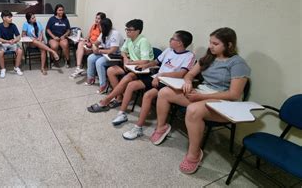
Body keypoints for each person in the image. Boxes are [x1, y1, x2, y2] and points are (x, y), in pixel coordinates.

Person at [150, 27, 250, 174]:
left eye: (215, 44)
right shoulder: (208, 58)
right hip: (201, 94)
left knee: (193, 110)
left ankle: (194, 154)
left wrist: (201, 97)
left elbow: (234, 94)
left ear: (229, 45)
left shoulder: (237, 63)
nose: (211, 46)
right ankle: (162, 127)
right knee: (164, 92)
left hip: (223, 101)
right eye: (210, 42)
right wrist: (188, 82)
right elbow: (190, 74)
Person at [118, 31, 195, 134]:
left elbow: (181, 74)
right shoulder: (168, 50)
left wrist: (160, 76)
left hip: (169, 82)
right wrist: (146, 65)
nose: (170, 40)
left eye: (173, 39)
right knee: (131, 85)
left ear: (180, 43)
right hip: (157, 77)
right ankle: (121, 113)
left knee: (147, 95)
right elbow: (156, 62)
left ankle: (138, 128)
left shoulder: (189, 56)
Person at [87, 19, 154, 112]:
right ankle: (119, 97)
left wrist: (130, 63)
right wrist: (126, 59)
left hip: (141, 68)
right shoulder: (130, 39)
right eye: (126, 29)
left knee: (126, 78)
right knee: (110, 70)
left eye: (130, 30)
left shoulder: (143, 41)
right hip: (130, 65)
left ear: (138, 31)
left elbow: (145, 61)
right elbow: (123, 51)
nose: (127, 32)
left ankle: (106, 100)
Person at [84, 18, 124, 94]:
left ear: (104, 27)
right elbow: (96, 43)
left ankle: (103, 85)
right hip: (106, 54)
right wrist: (94, 47)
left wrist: (99, 51)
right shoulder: (103, 33)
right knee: (91, 58)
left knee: (99, 62)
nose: (99, 27)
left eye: (100, 26)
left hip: (115, 56)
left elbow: (113, 50)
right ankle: (91, 78)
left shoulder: (115, 34)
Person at [70, 12, 106, 78]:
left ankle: (78, 67)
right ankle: (78, 67)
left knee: (78, 50)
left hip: (96, 47)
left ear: (103, 20)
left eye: (98, 19)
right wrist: (85, 40)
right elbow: (88, 36)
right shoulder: (94, 26)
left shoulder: (103, 28)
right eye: (96, 18)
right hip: (89, 44)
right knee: (80, 45)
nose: (96, 20)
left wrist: (91, 43)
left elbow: (101, 41)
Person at [0, 10, 23, 78]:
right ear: (4, 18)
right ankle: (3, 69)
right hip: (3, 43)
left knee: (20, 51)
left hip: (11, 43)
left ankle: (16, 67)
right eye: (9, 17)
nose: (11, 19)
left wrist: (14, 40)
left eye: (11, 17)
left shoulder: (13, 25)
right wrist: (7, 41)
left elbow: (18, 36)